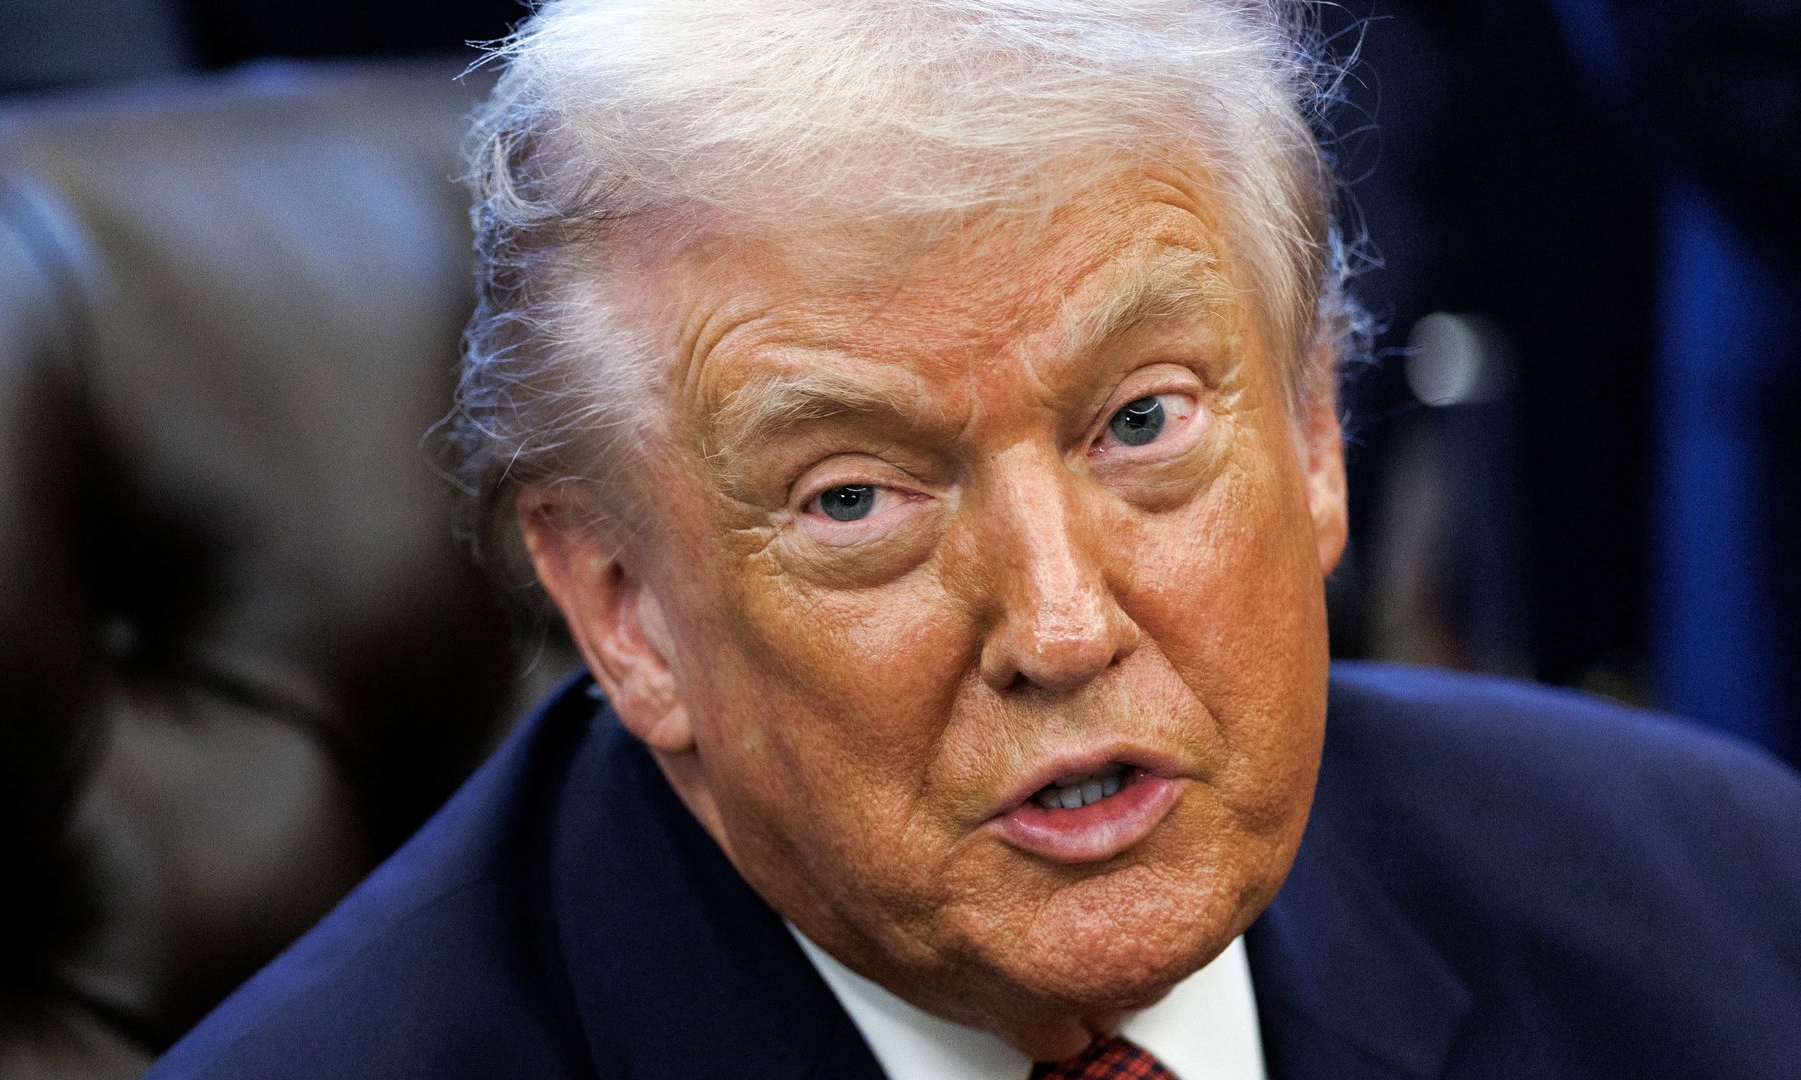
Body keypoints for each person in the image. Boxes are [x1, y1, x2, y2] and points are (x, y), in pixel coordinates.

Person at [147, 1, 1801, 1076]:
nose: (1064, 623)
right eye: (857, 498)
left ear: (1312, 433)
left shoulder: (1723, 910)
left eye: (1142, 422)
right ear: (623, 606)